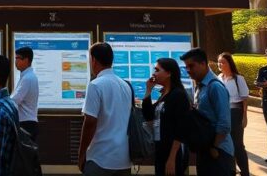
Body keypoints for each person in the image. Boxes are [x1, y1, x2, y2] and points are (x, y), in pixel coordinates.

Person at [77, 43, 131, 176]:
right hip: (124, 159)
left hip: (101, 158)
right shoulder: (125, 85)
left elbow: (90, 122)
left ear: (94, 60)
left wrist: (82, 153)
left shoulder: (95, 85)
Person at [181, 48, 233, 176]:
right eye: (186, 67)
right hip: (205, 149)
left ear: (203, 64)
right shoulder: (200, 86)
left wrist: (214, 147)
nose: (188, 70)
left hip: (218, 151)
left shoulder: (215, 87)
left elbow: (224, 123)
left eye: (191, 66)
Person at [142, 58, 189, 176]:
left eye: (157, 70)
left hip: (173, 153)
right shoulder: (163, 95)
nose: (154, 73)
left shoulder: (178, 95)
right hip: (160, 151)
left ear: (168, 73)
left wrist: (172, 158)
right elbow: (148, 115)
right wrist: (148, 89)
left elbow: (181, 129)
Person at [216, 53, 250, 176]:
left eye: (223, 62)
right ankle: (231, 169)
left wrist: (244, 117)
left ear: (229, 63)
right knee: (224, 143)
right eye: (219, 62)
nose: (220, 64)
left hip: (235, 112)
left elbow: (244, 99)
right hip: (221, 113)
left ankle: (245, 171)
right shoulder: (218, 78)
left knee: (237, 144)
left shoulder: (238, 79)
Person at [12, 46, 40, 141]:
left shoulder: (27, 78)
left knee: (24, 155)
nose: (15, 61)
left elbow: (15, 100)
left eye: (18, 58)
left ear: (26, 60)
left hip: (26, 123)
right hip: (27, 122)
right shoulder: (27, 76)